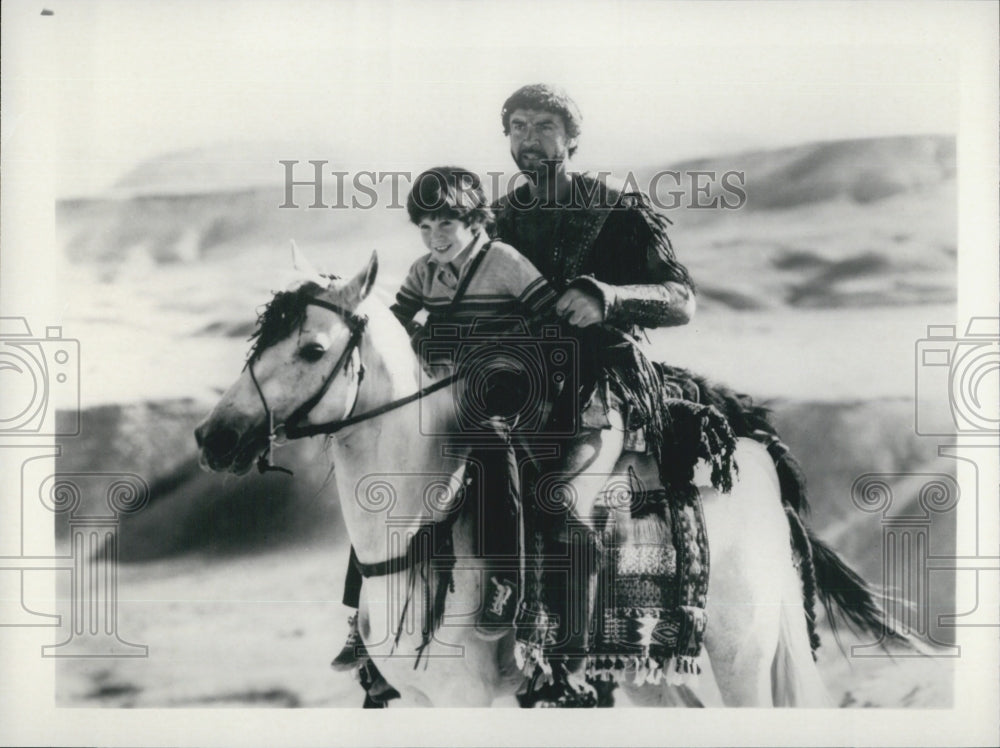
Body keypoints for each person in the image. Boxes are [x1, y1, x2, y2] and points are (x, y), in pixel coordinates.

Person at [490, 84, 698, 707]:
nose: (529, 138)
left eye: (544, 126)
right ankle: (374, 647)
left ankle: (569, 673)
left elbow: (681, 299)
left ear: (572, 139)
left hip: (596, 390)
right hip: (513, 389)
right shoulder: (494, 221)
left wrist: (608, 297)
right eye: (518, 126)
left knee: (562, 503)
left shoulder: (616, 211)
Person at [332, 165, 572, 672]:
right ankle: (360, 615)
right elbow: (395, 328)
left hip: (509, 388)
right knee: (379, 473)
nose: (434, 237)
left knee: (491, 447)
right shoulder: (423, 271)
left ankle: (506, 581)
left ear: (474, 219)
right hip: (444, 389)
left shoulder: (504, 261)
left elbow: (551, 323)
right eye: (424, 226)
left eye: (445, 224)